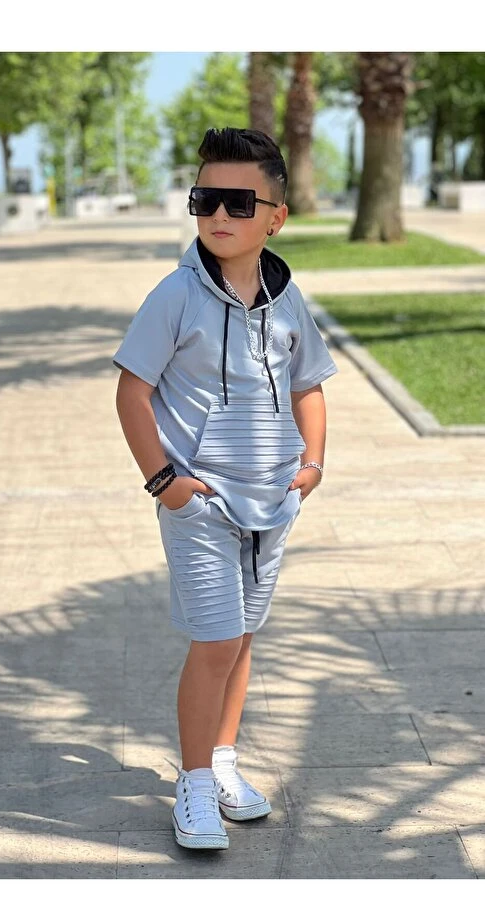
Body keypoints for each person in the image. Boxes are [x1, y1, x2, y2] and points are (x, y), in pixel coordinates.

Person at [112, 127, 338, 851]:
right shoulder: (175, 295)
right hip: (202, 505)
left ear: (275, 217)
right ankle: (194, 784)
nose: (218, 214)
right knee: (214, 641)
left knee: (240, 640)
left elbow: (309, 384)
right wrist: (166, 482)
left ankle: (223, 762)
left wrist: (312, 466)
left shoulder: (287, 298)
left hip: (273, 502)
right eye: (204, 199)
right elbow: (132, 391)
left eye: (238, 202)